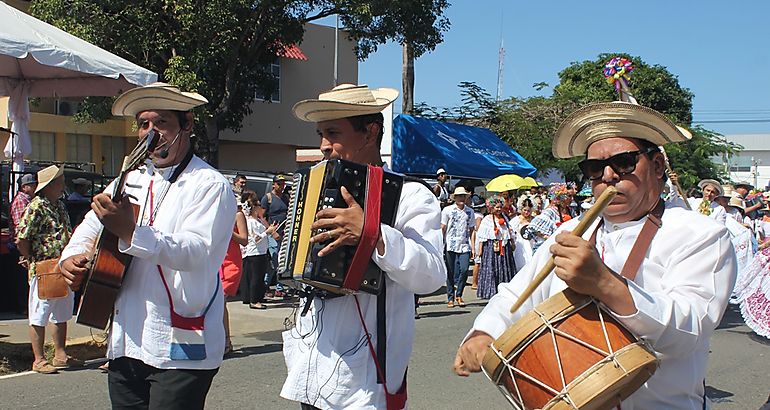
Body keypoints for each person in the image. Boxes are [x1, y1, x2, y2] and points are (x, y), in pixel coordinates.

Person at [454, 100, 737, 409]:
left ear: (657, 167)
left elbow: (692, 327)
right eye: (594, 168)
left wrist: (605, 284)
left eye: (624, 162)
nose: (608, 176)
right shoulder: (573, 229)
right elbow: (515, 295)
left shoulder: (701, 234)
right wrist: (483, 332)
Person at [59, 82, 236, 409]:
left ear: (188, 125)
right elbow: (89, 224)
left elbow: (195, 250)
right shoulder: (130, 178)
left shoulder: (210, 184)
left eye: (162, 123)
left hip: (181, 347)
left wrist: (130, 232)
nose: (150, 133)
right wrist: (73, 256)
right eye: (144, 124)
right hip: (127, 343)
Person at [281, 83, 445, 409]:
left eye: (333, 133)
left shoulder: (411, 195)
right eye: (320, 134)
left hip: (366, 381)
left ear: (370, 133)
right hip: (312, 363)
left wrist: (372, 234)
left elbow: (432, 275)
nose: (324, 146)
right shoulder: (316, 188)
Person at [16, 165, 81, 374]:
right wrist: (30, 258)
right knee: (39, 313)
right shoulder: (37, 206)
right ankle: (39, 358)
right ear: (51, 185)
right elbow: (22, 237)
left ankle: (60, 353)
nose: (63, 184)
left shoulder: (59, 205)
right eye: (60, 181)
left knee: (62, 311)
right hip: (44, 266)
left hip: (61, 264)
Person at [475, 195, 529, 300]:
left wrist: (512, 242)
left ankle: (504, 289)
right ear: (491, 207)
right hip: (491, 247)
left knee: (505, 267)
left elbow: (510, 231)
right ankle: (491, 291)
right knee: (492, 268)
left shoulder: (504, 217)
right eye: (497, 207)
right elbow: (482, 236)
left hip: (504, 246)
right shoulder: (487, 219)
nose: (499, 209)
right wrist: (480, 250)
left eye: (500, 207)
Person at [220, 199, 248, 356]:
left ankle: (225, 341)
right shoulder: (219, 214)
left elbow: (244, 240)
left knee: (220, 301)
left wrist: (228, 231)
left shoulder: (238, 215)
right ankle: (224, 341)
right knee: (217, 304)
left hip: (231, 264)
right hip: (218, 262)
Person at [240, 192, 275, 310]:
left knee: (258, 276)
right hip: (255, 252)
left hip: (261, 251)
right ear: (254, 207)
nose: (261, 207)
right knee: (256, 277)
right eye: (259, 205)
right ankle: (254, 300)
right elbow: (256, 238)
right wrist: (267, 232)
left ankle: (256, 296)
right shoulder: (250, 222)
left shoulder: (258, 221)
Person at [442, 186, 475, 308]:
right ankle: (450, 297)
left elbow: (472, 230)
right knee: (450, 271)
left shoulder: (469, 212)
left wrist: (474, 246)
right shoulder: (447, 210)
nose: (461, 198)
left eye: (463, 196)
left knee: (465, 269)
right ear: (455, 198)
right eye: (459, 196)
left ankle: (459, 294)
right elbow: (443, 227)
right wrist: (441, 243)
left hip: (464, 244)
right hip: (450, 244)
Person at [8, 173, 37, 314]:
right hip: (20, 245)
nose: (35, 187)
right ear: (24, 187)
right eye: (32, 185)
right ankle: (23, 306)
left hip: (24, 244)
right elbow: (21, 227)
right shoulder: (21, 201)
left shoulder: (30, 200)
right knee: (21, 279)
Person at [261, 174, 289, 298]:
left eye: (283, 183)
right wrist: (271, 231)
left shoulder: (285, 198)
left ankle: (279, 288)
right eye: (279, 183)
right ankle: (265, 285)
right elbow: (261, 217)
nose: (281, 186)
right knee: (274, 260)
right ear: (274, 184)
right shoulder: (267, 198)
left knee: (282, 260)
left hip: (284, 232)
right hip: (273, 233)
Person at [525, 183, 573, 252]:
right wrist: (551, 238)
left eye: (572, 196)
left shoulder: (571, 210)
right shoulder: (550, 211)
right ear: (560, 197)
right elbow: (534, 229)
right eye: (569, 196)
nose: (572, 199)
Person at [469, 194, 486, 290]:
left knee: (477, 261)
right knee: (478, 261)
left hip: (475, 238)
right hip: (478, 238)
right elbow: (478, 228)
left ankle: (476, 281)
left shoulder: (474, 215)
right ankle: (475, 282)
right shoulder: (479, 216)